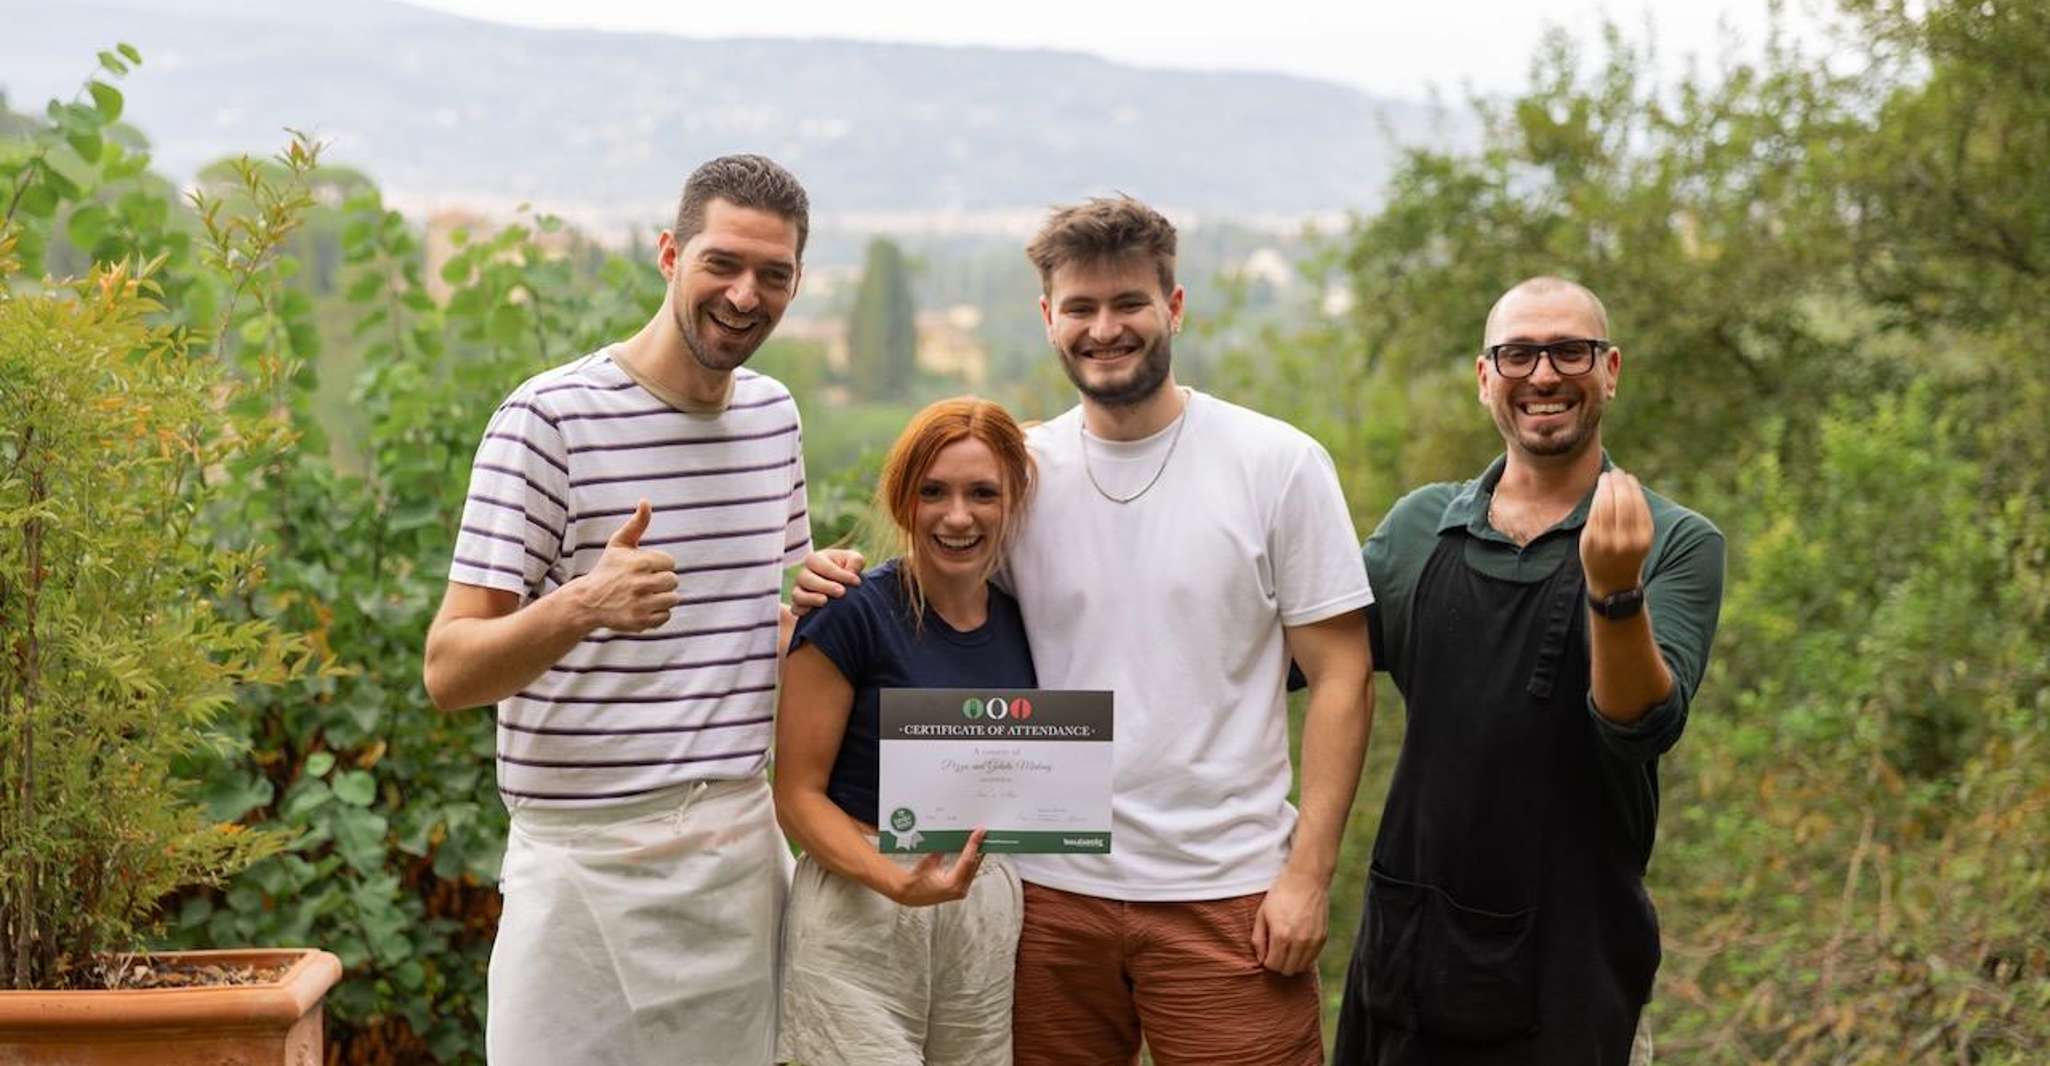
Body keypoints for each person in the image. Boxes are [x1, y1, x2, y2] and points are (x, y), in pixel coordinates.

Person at [799, 196, 1374, 1065]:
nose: (1105, 328)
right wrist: (822, 579)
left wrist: (1308, 877)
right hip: (1044, 895)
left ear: (1173, 308)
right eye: (1081, 308)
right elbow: (926, 593)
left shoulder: (1278, 464)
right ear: (1048, 320)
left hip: (1227, 893)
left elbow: (1341, 676)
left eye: (1129, 303)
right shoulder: (1018, 476)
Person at [421, 154, 814, 1066]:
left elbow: (774, 620)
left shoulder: (773, 417)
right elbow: (448, 671)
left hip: (736, 866)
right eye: (722, 262)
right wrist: (583, 605)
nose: (745, 295)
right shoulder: (547, 420)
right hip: (581, 874)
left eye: (774, 274)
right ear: (670, 253)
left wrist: (826, 599)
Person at [1331, 277, 1726, 1066]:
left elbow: (1640, 727)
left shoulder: (1675, 540)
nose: (1544, 375)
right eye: (1517, 354)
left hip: (1577, 974)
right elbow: (1289, 662)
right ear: (1486, 379)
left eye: (1569, 352)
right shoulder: (1418, 530)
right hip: (1407, 958)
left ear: (1610, 370)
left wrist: (1615, 591)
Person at [774, 396, 1038, 1066]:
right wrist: (893, 882)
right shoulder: (848, 614)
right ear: (902, 500)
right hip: (860, 909)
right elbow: (797, 796)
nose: (957, 516)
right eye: (933, 492)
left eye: (983, 492)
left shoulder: (1028, 622)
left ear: (1013, 503)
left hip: (983, 914)